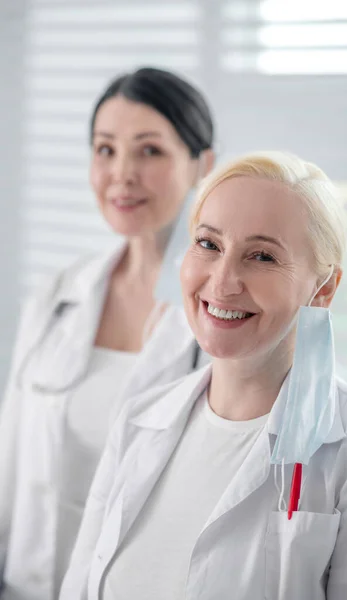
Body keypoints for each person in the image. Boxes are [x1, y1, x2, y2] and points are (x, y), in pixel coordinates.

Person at [61, 151, 347, 600]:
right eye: (208, 244)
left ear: (325, 289)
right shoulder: (139, 420)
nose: (223, 283)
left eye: (262, 256)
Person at [0, 67, 215, 599]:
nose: (122, 174)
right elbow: (11, 462)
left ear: (201, 166)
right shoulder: (55, 298)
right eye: (105, 150)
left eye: (149, 151)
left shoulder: (220, 317)